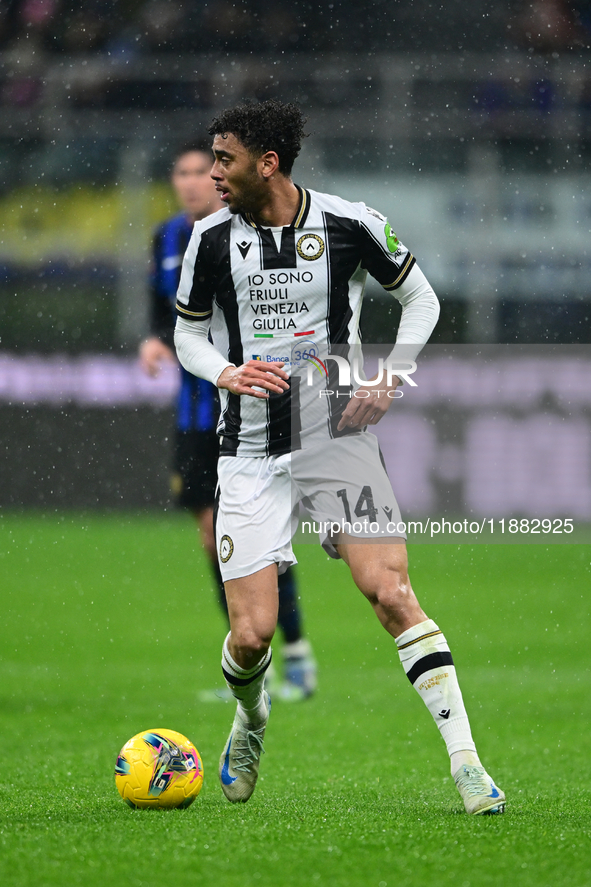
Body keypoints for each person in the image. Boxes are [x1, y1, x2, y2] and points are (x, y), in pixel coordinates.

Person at [174, 101, 505, 815]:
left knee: (390, 594)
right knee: (250, 635)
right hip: (249, 450)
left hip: (336, 437)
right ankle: (252, 718)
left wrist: (392, 374)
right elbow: (188, 335)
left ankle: (468, 764)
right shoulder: (209, 240)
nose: (212, 173)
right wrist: (223, 373)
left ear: (267, 164)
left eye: (224, 159)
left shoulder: (349, 223)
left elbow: (420, 299)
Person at [139, 140, 317, 700]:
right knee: (218, 541)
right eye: (184, 171)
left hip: (253, 412)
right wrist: (152, 338)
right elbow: (161, 307)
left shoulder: (239, 233)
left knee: (259, 535)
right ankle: (249, 658)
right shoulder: (168, 237)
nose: (195, 180)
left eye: (205, 169)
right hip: (195, 413)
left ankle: (295, 658)